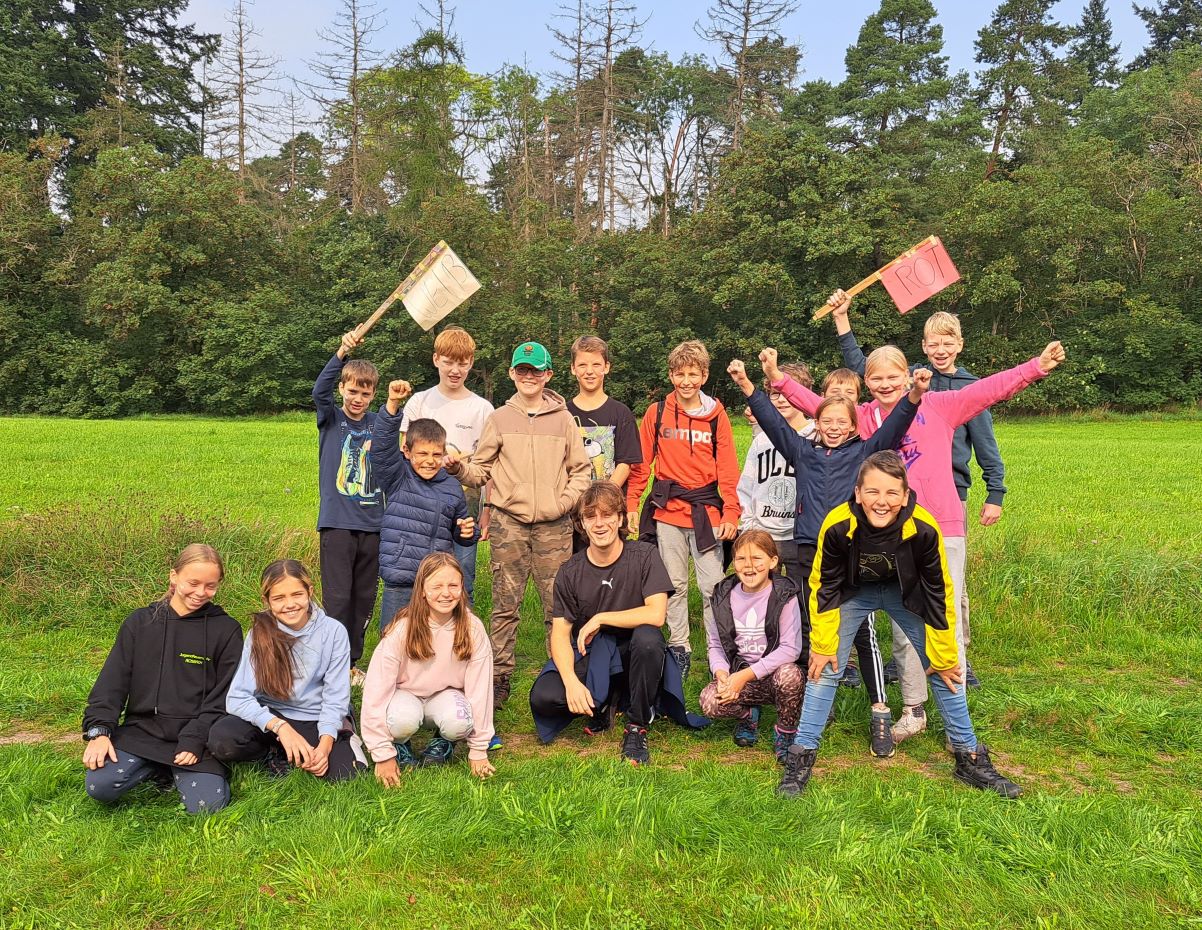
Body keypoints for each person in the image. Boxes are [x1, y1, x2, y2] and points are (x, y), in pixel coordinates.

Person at [765, 317, 1066, 745]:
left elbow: (989, 390)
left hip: (940, 525)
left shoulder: (940, 406)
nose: (886, 384)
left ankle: (955, 713)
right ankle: (913, 708)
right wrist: (778, 381)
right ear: (866, 382)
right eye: (877, 378)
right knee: (905, 627)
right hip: (887, 534)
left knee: (943, 621)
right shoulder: (864, 419)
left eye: (893, 376)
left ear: (907, 375)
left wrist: (1035, 366)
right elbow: (819, 405)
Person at [777, 452, 1023, 800]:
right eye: (873, 492)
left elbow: (939, 593)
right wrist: (822, 642)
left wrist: (943, 653)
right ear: (858, 493)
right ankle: (801, 755)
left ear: (905, 495)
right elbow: (824, 586)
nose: (882, 501)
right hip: (852, 593)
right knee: (825, 663)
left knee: (944, 668)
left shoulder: (923, 528)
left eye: (892, 493)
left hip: (904, 594)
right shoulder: (837, 524)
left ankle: (969, 757)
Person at [731, 357, 930, 758]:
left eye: (843, 422)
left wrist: (914, 395)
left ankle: (879, 710)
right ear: (816, 423)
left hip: (852, 552)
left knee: (861, 631)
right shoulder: (801, 452)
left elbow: (894, 427)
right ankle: (808, 701)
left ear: (854, 426)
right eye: (827, 421)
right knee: (809, 625)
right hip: (807, 550)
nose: (834, 428)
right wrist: (747, 384)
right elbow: (772, 422)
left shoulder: (865, 452)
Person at [834, 303, 1008, 690]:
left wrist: (995, 490)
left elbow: (986, 442)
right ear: (924, 347)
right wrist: (842, 322)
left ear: (960, 345)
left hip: (949, 494)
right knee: (908, 591)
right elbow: (868, 368)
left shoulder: (962, 390)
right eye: (933, 343)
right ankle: (913, 679)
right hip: (895, 507)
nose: (940, 349)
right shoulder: (911, 382)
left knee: (949, 590)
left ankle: (956, 660)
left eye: (948, 343)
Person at [445, 341, 591, 708]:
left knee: (555, 605)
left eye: (536, 370)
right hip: (507, 524)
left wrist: (563, 502)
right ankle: (499, 676)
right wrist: (459, 468)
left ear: (548, 375)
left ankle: (557, 673)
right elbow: (481, 469)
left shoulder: (563, 420)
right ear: (512, 373)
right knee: (504, 605)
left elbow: (581, 470)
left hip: (554, 528)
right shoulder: (499, 418)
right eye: (522, 370)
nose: (529, 377)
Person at [529, 482, 706, 764]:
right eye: (591, 517)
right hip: (595, 654)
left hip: (637, 653)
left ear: (621, 518)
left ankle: (637, 724)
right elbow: (560, 635)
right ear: (582, 524)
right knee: (544, 697)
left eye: (607, 515)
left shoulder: (644, 556)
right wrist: (571, 682)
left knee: (648, 639)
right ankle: (606, 700)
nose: (599, 524)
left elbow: (656, 614)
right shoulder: (570, 571)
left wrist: (601, 618)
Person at [83, 544, 242, 814]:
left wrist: (195, 738)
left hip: (196, 737)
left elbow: (224, 697)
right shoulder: (139, 623)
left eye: (210, 586)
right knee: (100, 787)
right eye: (193, 583)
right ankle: (158, 768)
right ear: (174, 576)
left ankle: (178, 772)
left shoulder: (226, 630)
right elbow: (112, 682)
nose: (200, 593)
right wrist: (99, 730)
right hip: (143, 732)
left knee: (206, 807)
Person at [626, 339, 741, 681]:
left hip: (707, 512)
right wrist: (633, 503)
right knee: (673, 584)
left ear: (704, 375)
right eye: (680, 374)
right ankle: (679, 647)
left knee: (713, 585)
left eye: (693, 374)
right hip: (667, 513)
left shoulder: (717, 416)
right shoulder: (657, 412)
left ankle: (718, 651)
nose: (686, 380)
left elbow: (728, 469)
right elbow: (640, 464)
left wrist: (732, 512)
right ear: (671, 375)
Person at [208, 560, 367, 782]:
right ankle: (273, 751)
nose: (290, 604)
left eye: (297, 594)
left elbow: (335, 697)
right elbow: (236, 698)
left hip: (313, 716)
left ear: (309, 592)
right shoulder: (258, 634)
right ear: (267, 600)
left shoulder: (334, 632)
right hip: (272, 716)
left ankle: (343, 733)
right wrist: (281, 728)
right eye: (279, 598)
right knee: (222, 741)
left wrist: (325, 744)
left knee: (348, 774)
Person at [360, 553, 496, 780]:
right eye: (437, 586)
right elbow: (376, 689)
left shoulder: (473, 629)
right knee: (402, 721)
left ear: (462, 588)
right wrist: (382, 753)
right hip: (404, 696)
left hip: (446, 697)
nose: (445, 593)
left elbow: (480, 690)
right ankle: (399, 744)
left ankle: (444, 741)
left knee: (459, 722)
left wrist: (479, 750)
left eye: (453, 585)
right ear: (422, 590)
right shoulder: (402, 629)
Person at [399, 325, 495, 598]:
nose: (455, 370)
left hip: (465, 509)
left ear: (471, 364)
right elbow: (404, 453)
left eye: (462, 364)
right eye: (449, 362)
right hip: (419, 508)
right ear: (436, 360)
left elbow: (488, 467)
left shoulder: (482, 409)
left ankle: (462, 640)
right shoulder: (419, 402)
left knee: (462, 582)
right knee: (419, 581)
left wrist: (487, 510)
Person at [375, 376, 476, 628]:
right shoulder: (398, 476)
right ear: (407, 452)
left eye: (436, 454)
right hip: (402, 577)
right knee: (394, 639)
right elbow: (381, 448)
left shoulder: (452, 486)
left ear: (444, 454)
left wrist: (467, 533)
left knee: (435, 641)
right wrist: (392, 405)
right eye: (421, 454)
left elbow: (459, 532)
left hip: (437, 581)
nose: (429, 461)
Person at [313, 330, 383, 683]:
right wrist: (341, 352)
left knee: (363, 598)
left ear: (373, 394)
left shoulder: (377, 424)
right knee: (338, 599)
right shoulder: (331, 419)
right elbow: (317, 391)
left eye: (365, 392)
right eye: (352, 390)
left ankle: (353, 662)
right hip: (338, 523)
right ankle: (332, 663)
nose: (358, 398)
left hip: (373, 524)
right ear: (342, 389)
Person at [701, 531, 805, 763]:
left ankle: (786, 732)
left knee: (791, 675)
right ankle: (748, 716)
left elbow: (791, 649)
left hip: (772, 675)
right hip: (739, 673)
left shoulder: (784, 595)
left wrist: (744, 677)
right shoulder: (721, 596)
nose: (749, 566)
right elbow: (715, 644)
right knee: (709, 701)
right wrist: (722, 675)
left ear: (773, 561)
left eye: (757, 558)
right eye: (740, 559)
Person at [566, 335, 642, 551]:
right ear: (573, 368)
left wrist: (601, 499)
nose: (589, 371)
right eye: (582, 365)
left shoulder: (620, 413)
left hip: (610, 509)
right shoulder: (563, 413)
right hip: (573, 509)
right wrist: (579, 501)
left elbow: (625, 463)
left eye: (596, 364)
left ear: (606, 367)